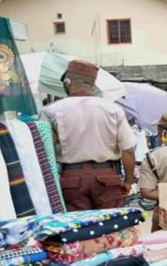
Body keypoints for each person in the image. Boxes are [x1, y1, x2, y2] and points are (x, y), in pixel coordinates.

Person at [40, 60, 136, 211]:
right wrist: (128, 181)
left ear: (67, 82)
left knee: (79, 229)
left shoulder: (51, 111)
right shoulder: (113, 109)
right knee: (112, 227)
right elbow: (128, 151)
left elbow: (44, 152)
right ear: (92, 85)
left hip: (71, 179)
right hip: (107, 177)